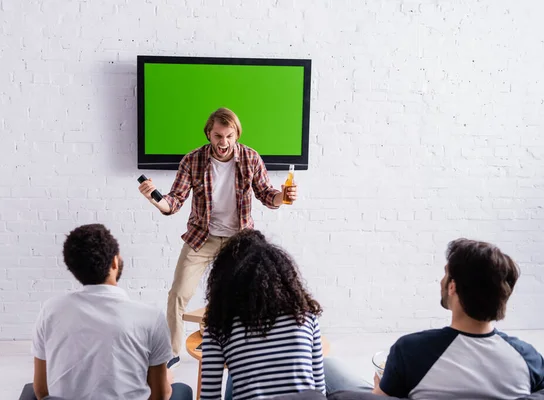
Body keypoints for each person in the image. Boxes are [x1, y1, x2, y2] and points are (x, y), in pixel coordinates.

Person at [138, 107, 298, 368]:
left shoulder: (251, 158)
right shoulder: (192, 160)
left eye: (228, 136)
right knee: (178, 294)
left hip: (241, 240)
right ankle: (171, 353)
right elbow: (174, 202)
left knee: (251, 296)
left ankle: (247, 351)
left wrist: (284, 196)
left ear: (236, 135)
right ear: (208, 135)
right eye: (217, 136)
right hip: (203, 237)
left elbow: (268, 195)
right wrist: (154, 198)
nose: (223, 143)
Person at [324, 238, 544, 399]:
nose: (441, 280)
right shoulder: (528, 358)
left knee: (328, 367)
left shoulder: (411, 350)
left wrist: (379, 391)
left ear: (452, 286)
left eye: (446, 274)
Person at [24, 224, 192, 400]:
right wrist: (166, 378)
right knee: (181, 390)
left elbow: (41, 390)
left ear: (72, 268)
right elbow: (160, 396)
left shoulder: (51, 310)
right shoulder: (150, 317)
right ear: (114, 262)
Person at [200, 229, 325, 400]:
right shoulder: (305, 316)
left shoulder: (220, 327)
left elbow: (209, 396)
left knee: (236, 377)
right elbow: (319, 391)